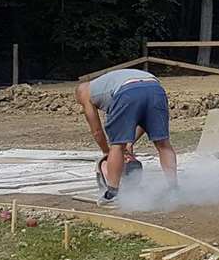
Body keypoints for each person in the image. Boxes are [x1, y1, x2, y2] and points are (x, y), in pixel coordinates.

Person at [75, 68, 178, 203]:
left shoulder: (84, 92)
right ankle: (174, 189)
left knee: (116, 146)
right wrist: (129, 143)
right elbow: (142, 121)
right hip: (155, 89)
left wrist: (107, 152)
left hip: (126, 92)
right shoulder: (107, 81)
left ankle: (112, 194)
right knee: (163, 143)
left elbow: (97, 131)